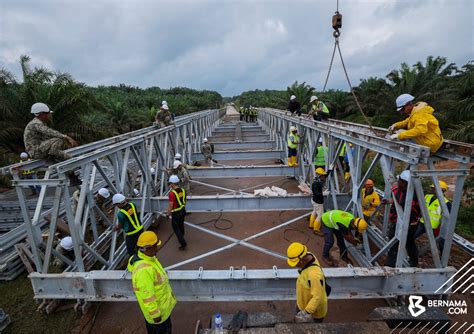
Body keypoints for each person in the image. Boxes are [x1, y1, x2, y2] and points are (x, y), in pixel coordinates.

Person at [128, 231, 176, 334]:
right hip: (158, 317)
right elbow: (147, 296)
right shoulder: (143, 271)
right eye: (155, 246)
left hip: (162, 311)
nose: (157, 249)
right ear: (147, 248)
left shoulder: (149, 258)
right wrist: (156, 316)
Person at [23, 102, 81, 185]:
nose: (50, 115)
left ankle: (73, 177)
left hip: (41, 150)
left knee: (69, 158)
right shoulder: (36, 123)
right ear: (42, 114)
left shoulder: (38, 123)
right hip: (36, 151)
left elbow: (46, 138)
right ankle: (52, 157)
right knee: (58, 139)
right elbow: (49, 132)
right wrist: (66, 137)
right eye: (48, 113)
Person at [385, 170, 420, 267]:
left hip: (405, 224)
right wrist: (389, 201)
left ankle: (389, 267)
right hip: (406, 223)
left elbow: (401, 201)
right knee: (409, 243)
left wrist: (393, 184)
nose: (398, 182)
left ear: (406, 183)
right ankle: (413, 262)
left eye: (400, 181)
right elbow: (397, 199)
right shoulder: (408, 191)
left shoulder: (411, 194)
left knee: (394, 246)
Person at [287, 242, 328, 323]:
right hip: (302, 303)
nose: (295, 266)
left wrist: (306, 313)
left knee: (314, 327)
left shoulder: (314, 275)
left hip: (314, 311)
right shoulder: (309, 255)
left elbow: (317, 297)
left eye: (296, 263)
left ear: (302, 260)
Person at [414, 181, 451, 254]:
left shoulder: (446, 203)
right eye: (432, 188)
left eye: (434, 188)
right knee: (412, 236)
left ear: (442, 190)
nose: (432, 189)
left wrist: (442, 228)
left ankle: (442, 259)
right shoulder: (427, 196)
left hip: (435, 227)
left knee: (441, 242)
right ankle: (412, 252)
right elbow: (420, 207)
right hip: (423, 223)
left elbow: (448, 218)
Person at [167, 175, 187, 250]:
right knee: (181, 224)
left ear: (172, 183)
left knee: (176, 228)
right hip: (183, 210)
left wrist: (168, 214)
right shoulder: (183, 190)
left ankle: (183, 242)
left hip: (176, 213)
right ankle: (182, 235)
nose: (170, 184)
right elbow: (184, 201)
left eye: (170, 183)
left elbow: (170, 205)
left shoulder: (172, 194)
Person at [310, 168, 329, 236]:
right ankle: (316, 229)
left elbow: (325, 175)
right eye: (322, 175)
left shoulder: (317, 180)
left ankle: (311, 224)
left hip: (314, 200)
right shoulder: (316, 184)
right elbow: (317, 194)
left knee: (314, 212)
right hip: (317, 201)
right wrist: (323, 193)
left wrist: (329, 169)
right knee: (320, 215)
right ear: (319, 176)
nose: (324, 177)